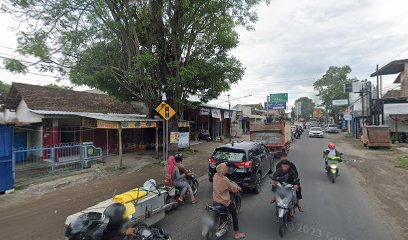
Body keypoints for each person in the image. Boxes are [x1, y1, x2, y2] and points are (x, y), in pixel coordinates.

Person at [213, 163, 246, 239]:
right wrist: (238, 188)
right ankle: (237, 234)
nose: (227, 169)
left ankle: (221, 223)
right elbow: (232, 188)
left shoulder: (215, 175)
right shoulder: (224, 179)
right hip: (223, 201)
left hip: (215, 199)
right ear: (224, 170)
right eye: (226, 168)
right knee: (234, 213)